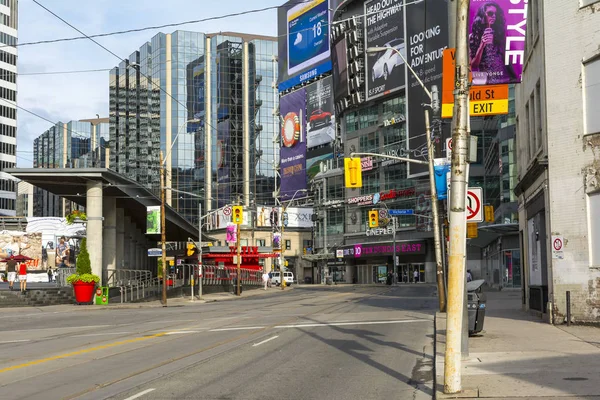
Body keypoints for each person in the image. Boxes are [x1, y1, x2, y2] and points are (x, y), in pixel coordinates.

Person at [469, 2, 516, 84]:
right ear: (482, 15)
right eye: (490, 13)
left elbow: (506, 58)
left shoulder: (500, 33)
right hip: (485, 80)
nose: (494, 16)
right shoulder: (472, 37)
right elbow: (473, 65)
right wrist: (482, 45)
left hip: (502, 77)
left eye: (495, 14)